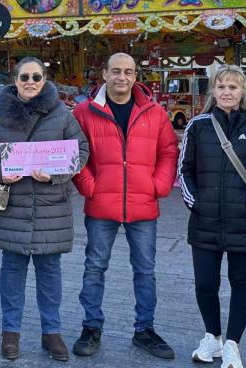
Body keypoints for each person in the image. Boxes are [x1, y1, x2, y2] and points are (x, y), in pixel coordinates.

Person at [0, 57, 89, 362]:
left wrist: (56, 174)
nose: (30, 82)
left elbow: (81, 150)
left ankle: (52, 333)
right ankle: (10, 333)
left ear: (44, 79)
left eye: (36, 77)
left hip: (51, 207)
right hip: (12, 206)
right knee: (12, 273)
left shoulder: (62, 115)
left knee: (50, 273)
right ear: (15, 79)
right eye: (25, 77)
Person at [71, 52, 179, 360]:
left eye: (128, 71)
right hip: (101, 203)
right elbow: (75, 153)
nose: (122, 77)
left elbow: (169, 150)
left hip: (142, 203)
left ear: (136, 76)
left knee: (145, 270)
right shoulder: (84, 112)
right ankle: (91, 327)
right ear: (104, 74)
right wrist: (90, 187)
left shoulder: (154, 113)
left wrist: (157, 185)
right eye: (116, 71)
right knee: (94, 267)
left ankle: (144, 329)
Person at [177, 66, 246, 368]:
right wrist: (195, 203)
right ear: (213, 91)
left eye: (233, 87)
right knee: (205, 283)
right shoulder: (198, 125)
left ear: (242, 91)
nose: (226, 92)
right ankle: (213, 336)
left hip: (245, 221)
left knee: (241, 281)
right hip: (205, 219)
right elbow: (184, 171)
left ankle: (233, 343)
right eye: (221, 86)